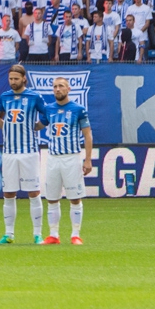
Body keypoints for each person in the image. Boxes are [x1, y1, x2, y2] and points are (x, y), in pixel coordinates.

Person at [0, 63, 50, 244]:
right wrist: (5, 127)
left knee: (33, 192)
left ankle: (37, 234)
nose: (13, 82)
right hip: (9, 152)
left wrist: (38, 126)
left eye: (16, 79)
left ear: (24, 79)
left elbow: (47, 114)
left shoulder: (34, 97)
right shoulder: (5, 97)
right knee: (8, 193)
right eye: (10, 79)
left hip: (29, 152)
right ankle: (8, 234)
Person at [41, 78, 91, 245]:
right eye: (55, 86)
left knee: (75, 198)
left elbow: (87, 135)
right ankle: (53, 235)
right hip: (53, 158)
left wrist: (88, 160)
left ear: (68, 89)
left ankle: (75, 235)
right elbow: (38, 126)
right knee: (52, 198)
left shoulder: (78, 109)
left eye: (61, 86)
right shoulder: (49, 109)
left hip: (71, 158)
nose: (57, 89)